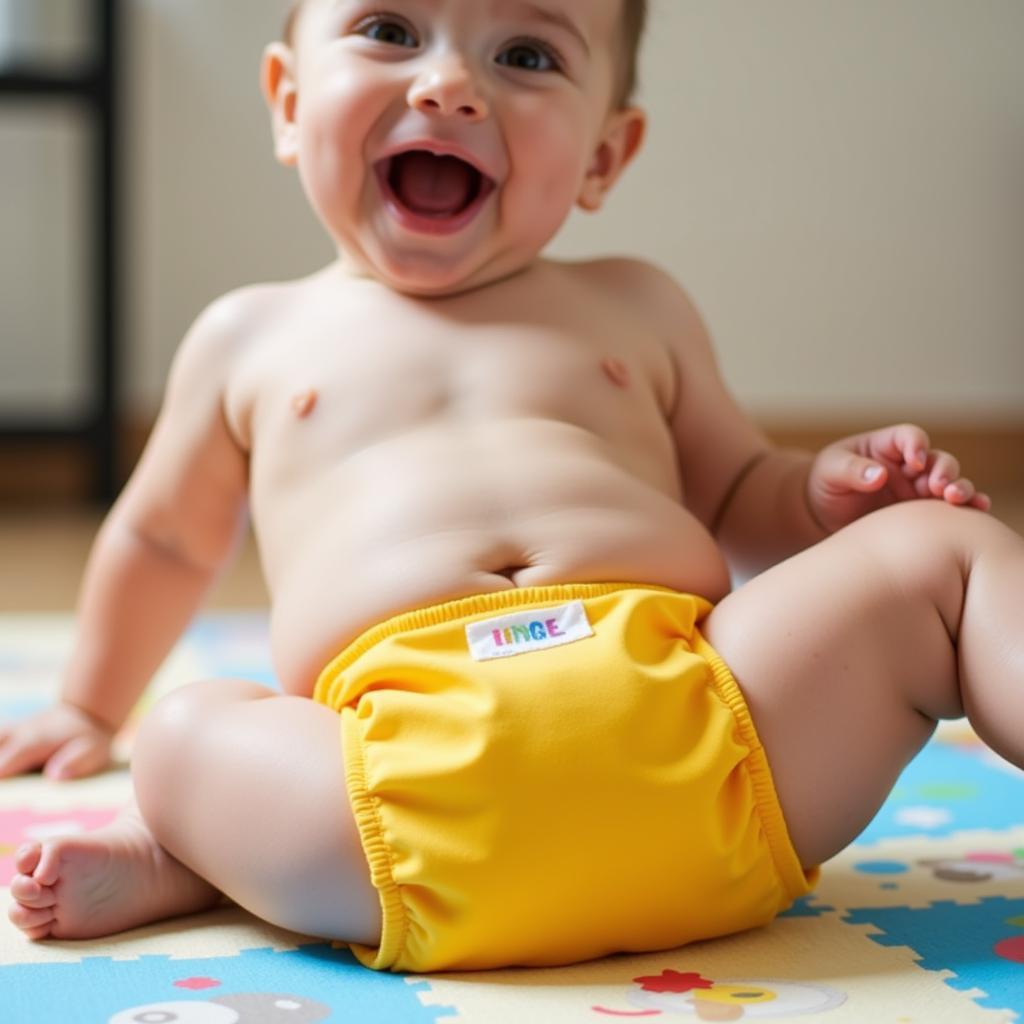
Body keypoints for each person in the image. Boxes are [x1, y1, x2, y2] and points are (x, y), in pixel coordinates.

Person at [3, 0, 1022, 974]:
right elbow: (167, 540)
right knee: (185, 733)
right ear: (288, 101)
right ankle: (180, 851)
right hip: (386, 791)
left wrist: (817, 498)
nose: (449, 85)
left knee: (945, 552)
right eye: (389, 31)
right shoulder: (250, 337)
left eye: (526, 56)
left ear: (604, 156)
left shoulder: (635, 305)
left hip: (717, 733)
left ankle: (210, 860)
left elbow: (741, 487)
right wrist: (92, 705)